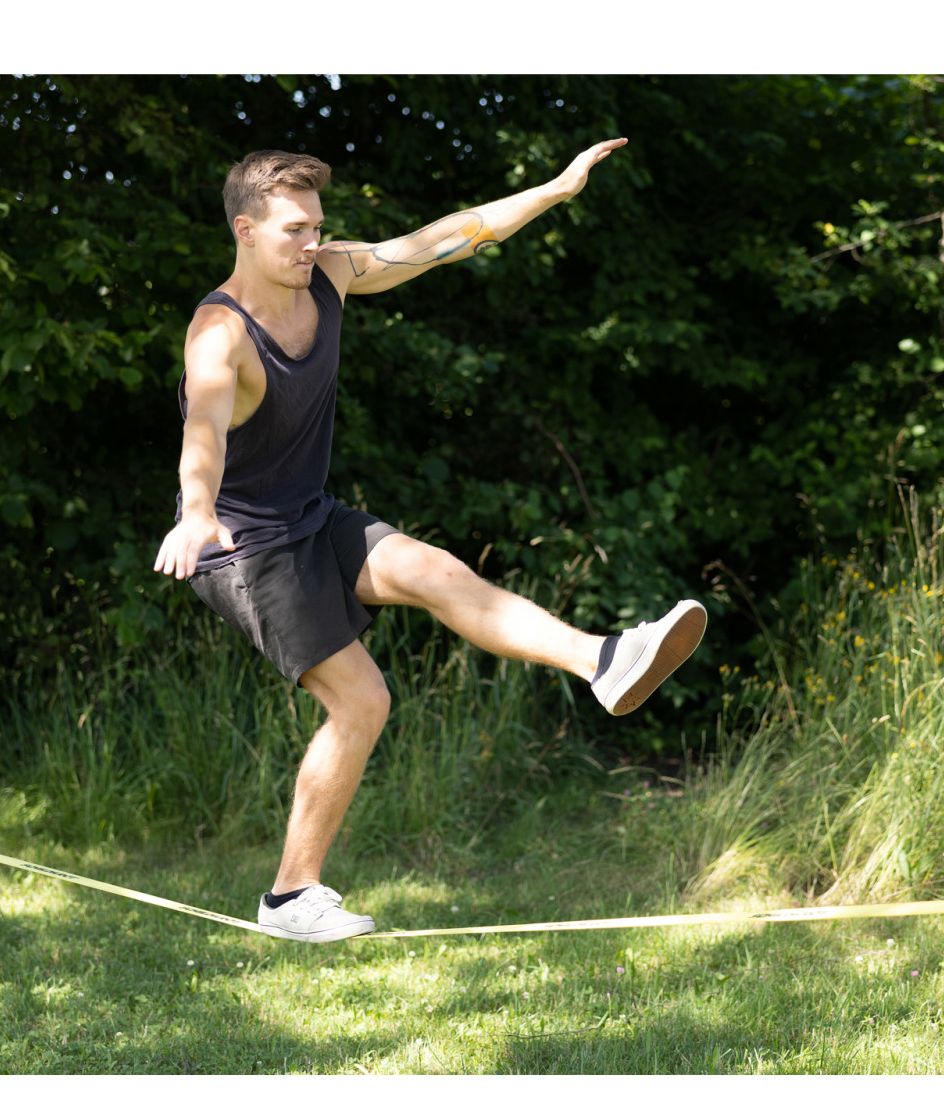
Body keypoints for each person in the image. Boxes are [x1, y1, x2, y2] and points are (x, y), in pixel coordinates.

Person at [153, 142, 706, 942]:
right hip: (241, 546)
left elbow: (444, 238)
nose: (313, 243)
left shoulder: (331, 274)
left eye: (318, 227)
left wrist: (553, 191)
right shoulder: (219, 332)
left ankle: (604, 661)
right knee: (362, 700)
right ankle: (290, 896)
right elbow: (203, 426)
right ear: (245, 230)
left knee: (436, 571)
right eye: (295, 230)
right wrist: (197, 511)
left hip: (308, 514)